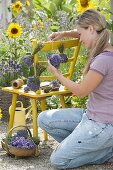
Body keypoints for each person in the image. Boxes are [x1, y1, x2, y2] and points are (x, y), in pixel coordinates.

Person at [38, 9, 113, 169]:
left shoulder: (103, 61)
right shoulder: (105, 46)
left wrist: (57, 73)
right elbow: (82, 34)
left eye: (81, 33)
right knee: (44, 118)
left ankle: (107, 152)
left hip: (103, 126)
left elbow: (80, 91)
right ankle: (87, 146)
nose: (80, 39)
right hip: (90, 117)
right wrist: (63, 33)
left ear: (91, 29)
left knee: (58, 161)